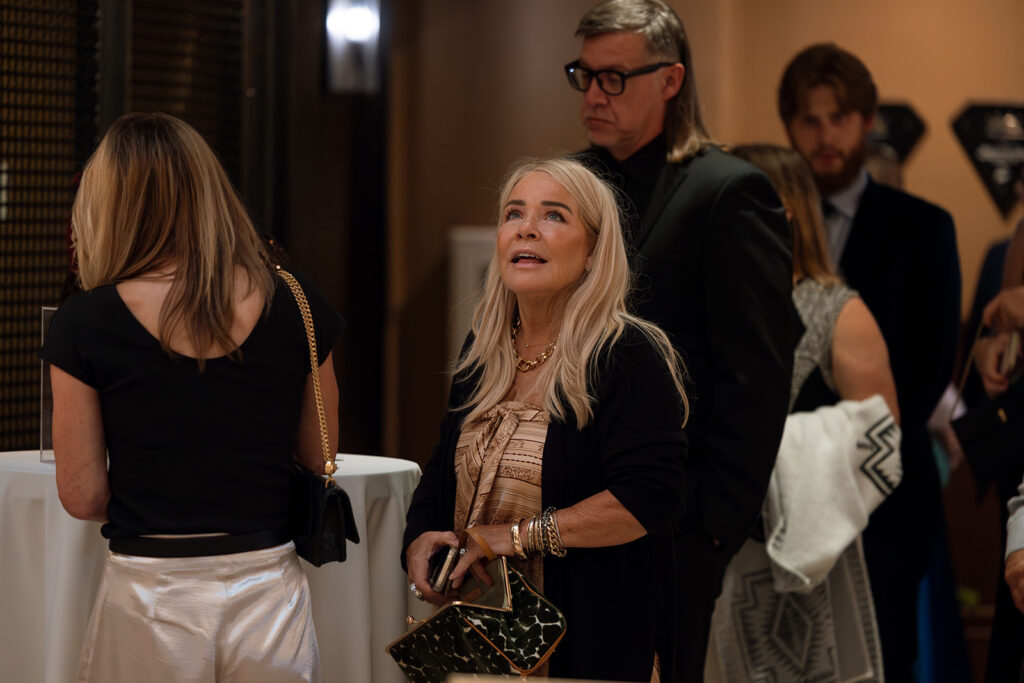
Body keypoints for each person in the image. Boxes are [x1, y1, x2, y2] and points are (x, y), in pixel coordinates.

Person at [40, 112, 343, 682]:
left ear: (107, 206)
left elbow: (81, 495)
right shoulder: (297, 301)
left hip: (149, 596)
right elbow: (317, 456)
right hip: (269, 589)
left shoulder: (84, 321)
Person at [565, 3, 798, 679]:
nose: (593, 95)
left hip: (675, 516)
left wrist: (713, 522)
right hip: (570, 499)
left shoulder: (729, 191)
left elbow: (756, 375)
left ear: (670, 80)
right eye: (583, 75)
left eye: (613, 78)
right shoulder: (570, 184)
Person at [402, 157, 689, 681]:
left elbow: (649, 495)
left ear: (594, 251)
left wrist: (515, 536)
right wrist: (420, 534)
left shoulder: (625, 354)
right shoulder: (486, 348)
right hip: (481, 637)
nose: (526, 227)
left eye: (554, 215)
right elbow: (446, 458)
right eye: (514, 213)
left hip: (589, 642)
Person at [778, 43, 962, 680]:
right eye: (809, 119)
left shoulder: (924, 226)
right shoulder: (765, 224)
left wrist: (834, 457)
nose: (825, 135)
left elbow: (933, 363)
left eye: (840, 117)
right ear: (790, 127)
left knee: (885, 654)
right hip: (777, 497)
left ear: (865, 121)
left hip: (884, 489)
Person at [705, 143, 899, 682]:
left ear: (780, 208)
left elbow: (882, 438)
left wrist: (777, 448)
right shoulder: (700, 304)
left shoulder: (838, 310)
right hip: (703, 551)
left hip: (799, 559)